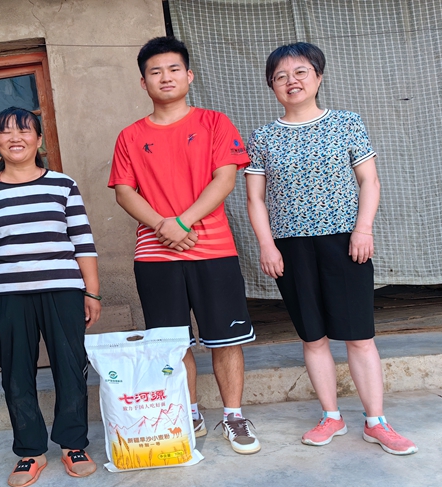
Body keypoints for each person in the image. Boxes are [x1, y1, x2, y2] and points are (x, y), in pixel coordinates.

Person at [245, 42, 417, 455]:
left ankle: (376, 422)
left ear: (318, 76)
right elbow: (255, 199)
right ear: (271, 85)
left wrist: (363, 229)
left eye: (301, 72)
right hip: (290, 247)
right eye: (281, 76)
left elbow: (369, 180)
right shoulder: (263, 136)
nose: (292, 81)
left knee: (359, 336)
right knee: (314, 336)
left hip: (345, 242)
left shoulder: (346, 123)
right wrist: (267, 245)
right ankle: (331, 417)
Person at [109, 36, 260, 455]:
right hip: (155, 254)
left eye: (174, 69)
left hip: (213, 249)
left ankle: (233, 416)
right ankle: (187, 412)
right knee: (171, 343)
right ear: (143, 82)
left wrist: (181, 222)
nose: (166, 77)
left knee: (226, 339)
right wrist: (163, 225)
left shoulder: (215, 123)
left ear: (189, 75)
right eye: (155, 71)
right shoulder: (130, 136)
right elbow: (123, 191)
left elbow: (225, 179)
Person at [0, 107, 101, 487]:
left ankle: (73, 444)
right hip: (6, 296)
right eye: (6, 131)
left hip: (63, 291)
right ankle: (30, 451)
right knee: (16, 374)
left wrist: (91, 291)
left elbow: (83, 242)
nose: (15, 138)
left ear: (39, 139)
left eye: (24, 131)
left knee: (70, 368)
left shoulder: (63, 185)